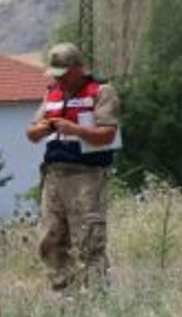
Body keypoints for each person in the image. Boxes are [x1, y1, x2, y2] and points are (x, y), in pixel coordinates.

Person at [27, 42, 121, 292]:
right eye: (56, 75)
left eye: (64, 75)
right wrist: (43, 128)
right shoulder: (52, 93)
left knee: (88, 238)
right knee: (50, 238)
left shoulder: (100, 91)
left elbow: (108, 134)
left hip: (86, 175)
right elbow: (31, 133)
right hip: (54, 174)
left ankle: (94, 293)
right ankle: (65, 294)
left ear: (79, 68)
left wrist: (75, 130)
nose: (60, 80)